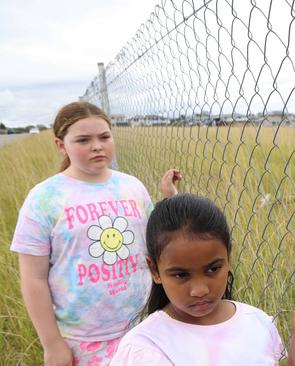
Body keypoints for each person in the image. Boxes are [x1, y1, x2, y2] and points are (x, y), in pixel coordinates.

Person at [10, 101, 181, 366]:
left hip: (143, 326)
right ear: (60, 145)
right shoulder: (44, 198)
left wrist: (169, 202)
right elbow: (33, 278)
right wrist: (52, 344)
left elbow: (153, 240)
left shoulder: (131, 187)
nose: (97, 146)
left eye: (104, 137)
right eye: (83, 140)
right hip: (82, 341)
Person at [110, 194, 295, 365]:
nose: (200, 290)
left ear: (228, 258)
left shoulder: (258, 323)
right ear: (155, 270)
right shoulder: (145, 349)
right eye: (180, 275)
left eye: (213, 269)